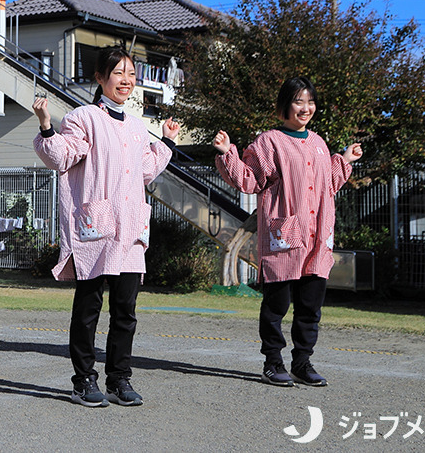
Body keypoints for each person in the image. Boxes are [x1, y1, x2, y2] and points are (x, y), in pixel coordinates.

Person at [33, 46, 179, 408]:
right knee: (88, 308)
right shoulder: (83, 118)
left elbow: (146, 168)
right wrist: (46, 125)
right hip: (97, 229)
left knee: (126, 311)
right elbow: (62, 155)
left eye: (131, 74)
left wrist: (168, 141)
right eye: (118, 73)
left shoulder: (137, 127)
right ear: (100, 78)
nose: (126, 81)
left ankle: (119, 379)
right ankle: (84, 379)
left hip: (129, 231)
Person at [212, 76, 362, 388]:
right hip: (284, 238)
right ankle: (273, 362)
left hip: (316, 239)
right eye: (298, 101)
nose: (306, 108)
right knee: (276, 306)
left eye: (310, 101)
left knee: (310, 308)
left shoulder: (319, 144)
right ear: (284, 106)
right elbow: (250, 180)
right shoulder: (269, 142)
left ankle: (302, 363)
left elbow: (327, 186)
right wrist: (228, 154)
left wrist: (344, 160)